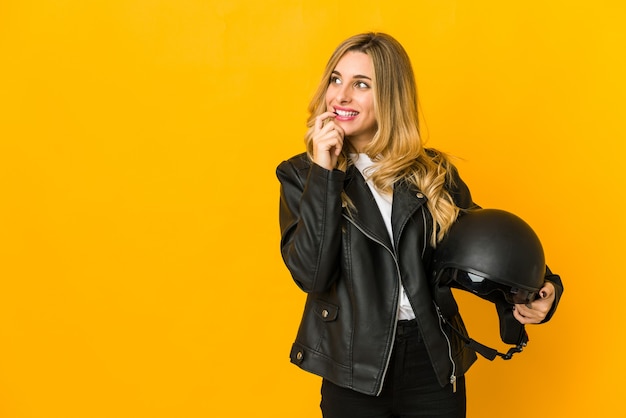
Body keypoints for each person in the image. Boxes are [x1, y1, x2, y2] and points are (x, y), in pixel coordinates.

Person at [276, 32, 563, 418]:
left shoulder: (433, 172)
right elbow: (311, 274)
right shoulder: (302, 174)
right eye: (336, 79)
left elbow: (481, 245)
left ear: (390, 96)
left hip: (432, 358)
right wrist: (325, 171)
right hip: (354, 366)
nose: (341, 96)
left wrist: (540, 288)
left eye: (361, 84)